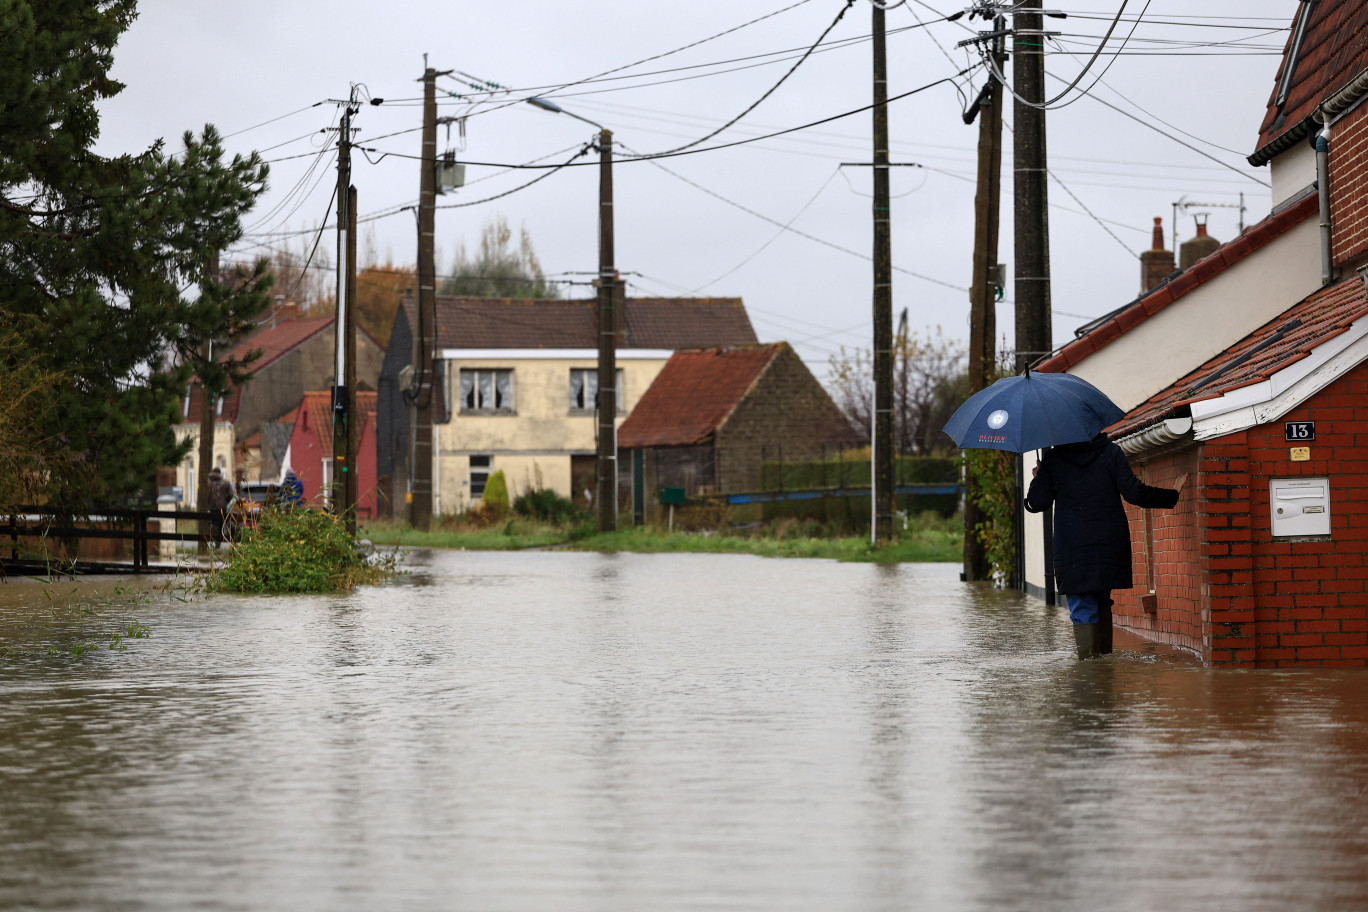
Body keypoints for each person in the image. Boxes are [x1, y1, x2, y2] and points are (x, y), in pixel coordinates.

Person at [1024, 432, 1183, 660]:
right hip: (1108, 544)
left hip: (1073, 548)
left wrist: (1039, 477)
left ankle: (1090, 674)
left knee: (1082, 606)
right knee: (1102, 601)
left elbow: (1037, 502)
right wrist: (1172, 496)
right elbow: (1134, 492)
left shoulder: (1054, 459)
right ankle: (1104, 669)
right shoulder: (1111, 452)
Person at [205, 467, 235, 546]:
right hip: (222, 506)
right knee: (220, 524)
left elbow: (204, 495)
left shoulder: (208, 483)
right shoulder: (225, 483)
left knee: (214, 522)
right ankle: (218, 542)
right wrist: (226, 501)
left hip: (211, 507)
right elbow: (231, 495)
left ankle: (213, 535)